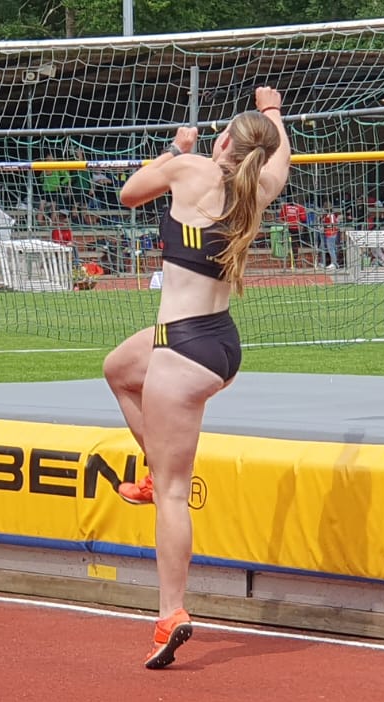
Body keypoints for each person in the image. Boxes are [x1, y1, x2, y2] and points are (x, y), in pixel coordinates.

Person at [102, 86, 290, 669]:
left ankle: (170, 612)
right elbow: (282, 155)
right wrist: (274, 110)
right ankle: (153, 469)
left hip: (182, 352)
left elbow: (129, 193)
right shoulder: (260, 187)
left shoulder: (191, 168)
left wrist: (175, 149)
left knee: (175, 494)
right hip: (217, 342)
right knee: (118, 368)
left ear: (224, 140)